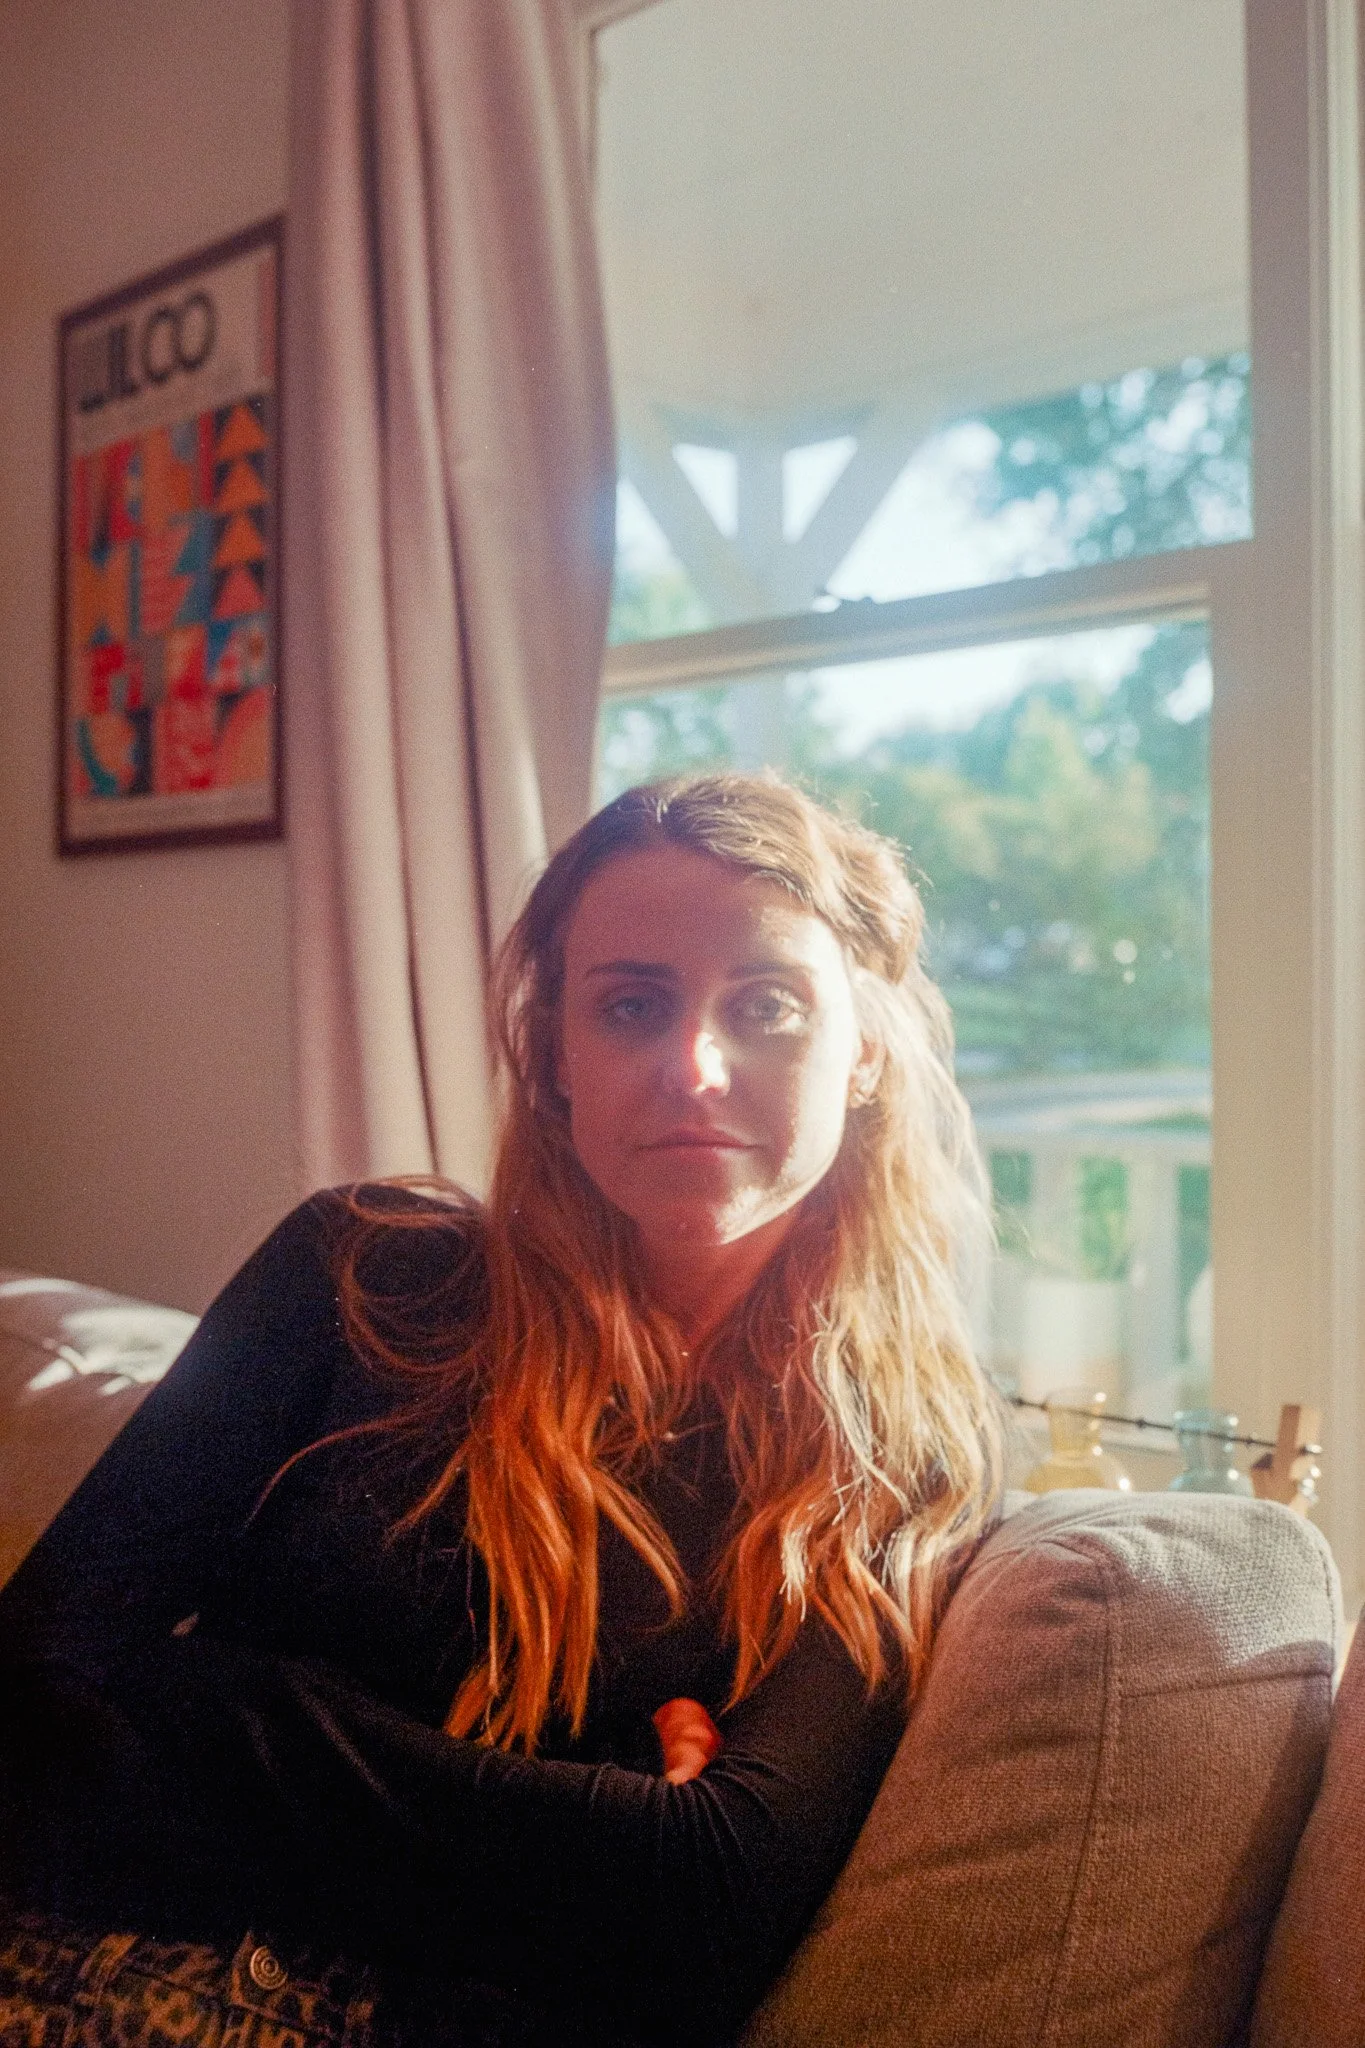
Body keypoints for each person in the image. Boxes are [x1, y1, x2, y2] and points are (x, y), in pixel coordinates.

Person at [0, 772, 1003, 2046]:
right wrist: (585, 1804)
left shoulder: (887, 1448)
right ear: (554, 1056)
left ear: (862, 1049)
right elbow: (30, 1702)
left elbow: (707, 1897)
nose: (692, 1067)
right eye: (631, 1004)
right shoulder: (358, 1274)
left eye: (766, 1005)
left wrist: (225, 1693)